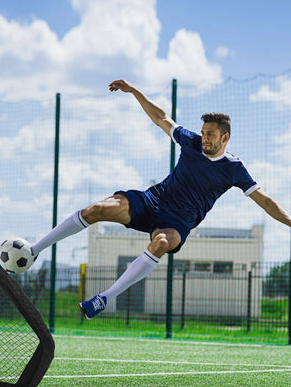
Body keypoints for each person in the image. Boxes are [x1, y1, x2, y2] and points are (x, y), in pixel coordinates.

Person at [29, 79, 291, 320]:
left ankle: (104, 299)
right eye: (203, 132)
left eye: (210, 134)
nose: (204, 138)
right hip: (152, 200)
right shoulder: (191, 142)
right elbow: (161, 117)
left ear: (225, 137)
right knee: (96, 208)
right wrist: (133, 91)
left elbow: (266, 201)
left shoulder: (234, 168)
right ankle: (33, 251)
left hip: (179, 221)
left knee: (162, 242)